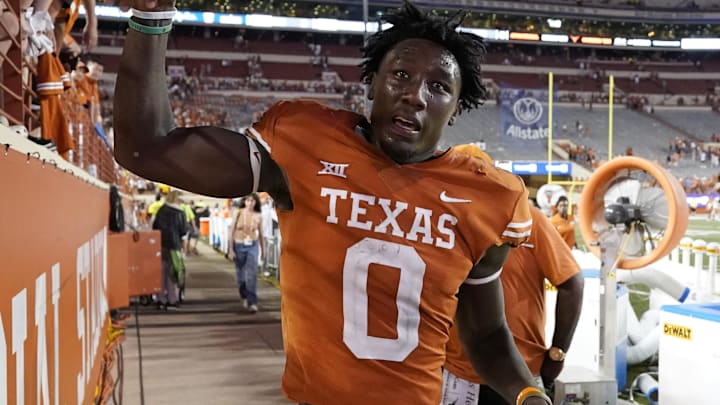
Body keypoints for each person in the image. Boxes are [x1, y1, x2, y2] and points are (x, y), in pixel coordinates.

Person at [113, 1, 550, 403]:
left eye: (438, 86)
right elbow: (145, 149)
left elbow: (488, 334)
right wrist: (151, 19)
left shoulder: (489, 197)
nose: (415, 94)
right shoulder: (304, 145)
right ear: (371, 83)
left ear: (454, 109)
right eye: (400, 74)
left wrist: (529, 395)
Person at [442, 206, 584, 405]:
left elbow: (571, 282)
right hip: (458, 371)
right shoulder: (449, 214)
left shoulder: (529, 219)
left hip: (521, 372)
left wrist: (557, 353)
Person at [228, 193, 264, 313]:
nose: (250, 203)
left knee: (252, 274)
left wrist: (263, 251)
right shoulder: (238, 213)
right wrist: (231, 249)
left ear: (255, 202)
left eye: (252, 201)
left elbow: (261, 235)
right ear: (244, 201)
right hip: (239, 245)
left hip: (252, 245)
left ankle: (253, 301)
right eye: (248, 200)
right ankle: (244, 296)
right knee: (241, 276)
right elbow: (231, 231)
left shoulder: (258, 216)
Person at [152, 190, 187, 310]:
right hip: (174, 245)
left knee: (161, 272)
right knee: (172, 273)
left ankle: (161, 298)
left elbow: (155, 226)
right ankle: (172, 299)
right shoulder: (180, 212)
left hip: (161, 244)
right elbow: (184, 230)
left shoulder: (161, 210)